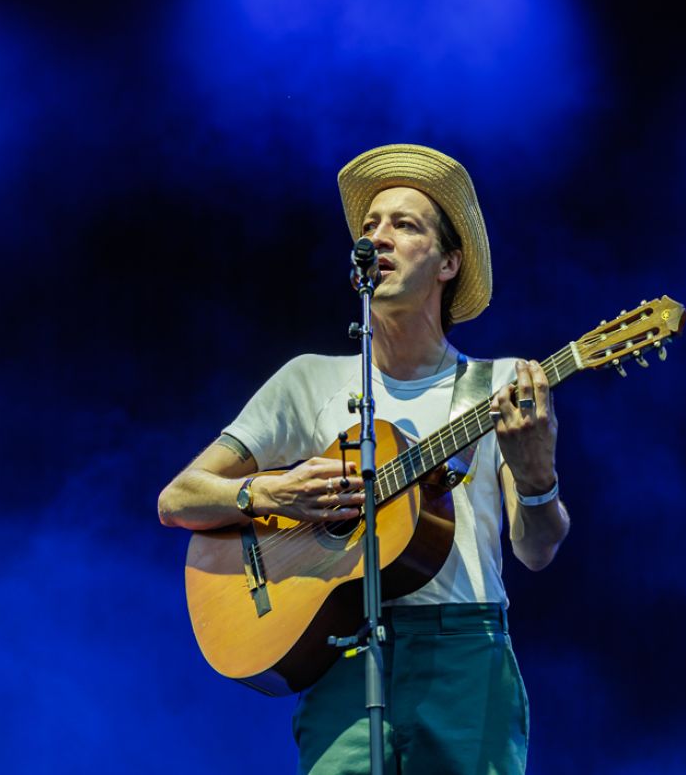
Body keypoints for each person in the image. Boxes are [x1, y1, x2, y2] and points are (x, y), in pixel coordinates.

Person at [158, 143, 570, 774]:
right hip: (341, 657)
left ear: (448, 263)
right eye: (369, 227)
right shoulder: (307, 381)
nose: (378, 238)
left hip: (465, 655)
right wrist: (272, 494)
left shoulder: (502, 384)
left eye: (404, 225)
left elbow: (536, 550)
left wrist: (538, 477)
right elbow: (178, 499)